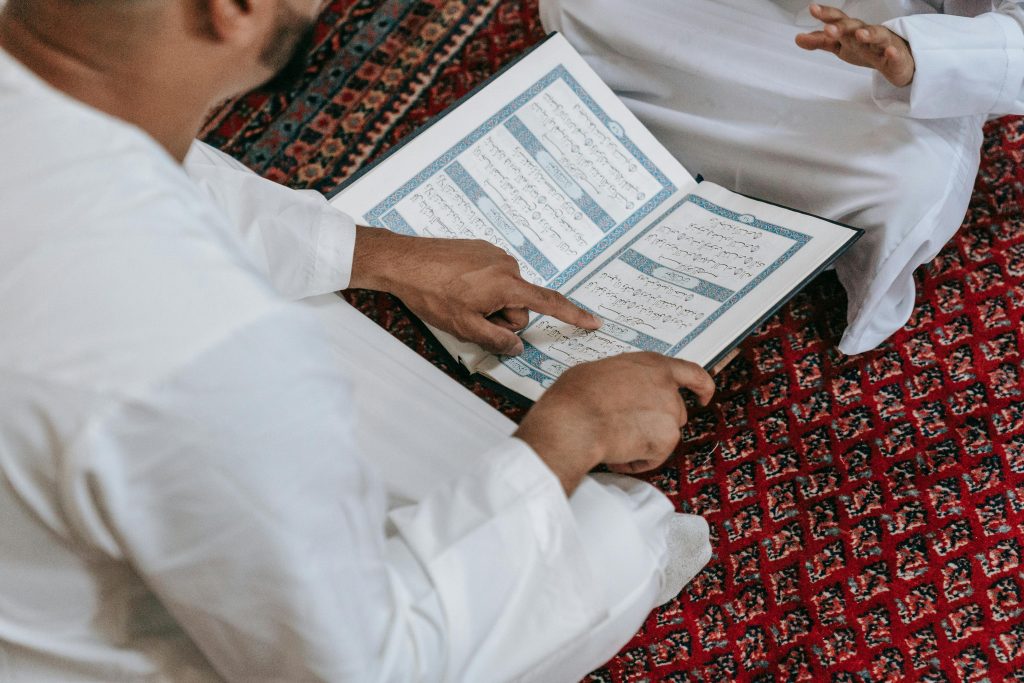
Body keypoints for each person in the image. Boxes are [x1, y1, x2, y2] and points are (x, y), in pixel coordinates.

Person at [0, 0, 718, 680]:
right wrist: (572, 429)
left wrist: (378, 256)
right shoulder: (205, 340)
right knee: (613, 534)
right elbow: (367, 665)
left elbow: (170, 178)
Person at [540, 0, 1024, 355]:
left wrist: (915, 54)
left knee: (905, 188)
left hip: (906, 61)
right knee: (577, 9)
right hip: (748, 15)